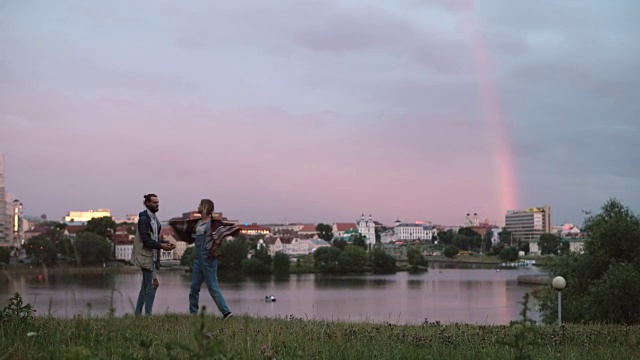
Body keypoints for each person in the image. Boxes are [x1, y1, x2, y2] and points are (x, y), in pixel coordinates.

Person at [170, 199, 239, 318]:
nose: (198, 206)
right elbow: (187, 229)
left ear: (206, 207)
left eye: (200, 205)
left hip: (208, 258)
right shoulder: (197, 223)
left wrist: (213, 249)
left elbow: (220, 236)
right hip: (198, 258)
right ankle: (193, 314)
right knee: (194, 288)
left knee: (213, 286)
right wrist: (174, 223)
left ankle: (227, 313)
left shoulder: (213, 224)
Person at [131, 193, 175, 316]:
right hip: (146, 257)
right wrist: (161, 246)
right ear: (147, 203)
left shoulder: (156, 221)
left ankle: (138, 314)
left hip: (153, 257)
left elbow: (154, 240)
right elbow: (146, 241)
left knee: (145, 287)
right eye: (154, 202)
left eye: (158, 202)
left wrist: (165, 243)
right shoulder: (144, 220)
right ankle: (148, 315)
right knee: (152, 285)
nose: (157, 205)